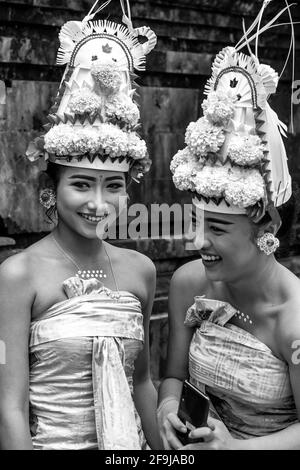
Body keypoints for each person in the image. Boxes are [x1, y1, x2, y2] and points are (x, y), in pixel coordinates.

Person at [0, 0, 161, 450]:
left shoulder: (140, 270)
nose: (98, 202)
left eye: (113, 186)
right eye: (82, 185)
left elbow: (143, 383)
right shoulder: (19, 275)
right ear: (52, 189)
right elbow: (9, 407)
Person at [158, 2, 300, 450]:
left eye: (217, 228)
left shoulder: (294, 318)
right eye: (197, 222)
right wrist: (166, 411)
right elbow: (173, 378)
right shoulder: (188, 284)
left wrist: (237, 449)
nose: (196, 241)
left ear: (265, 230)